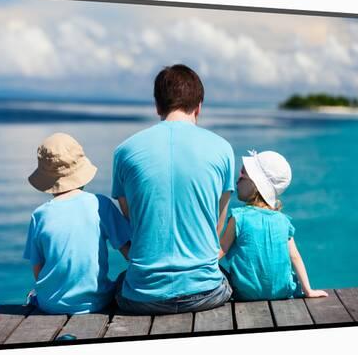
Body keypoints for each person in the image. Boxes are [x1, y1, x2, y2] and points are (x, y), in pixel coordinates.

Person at [112, 64, 234, 314]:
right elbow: (216, 226)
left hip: (143, 296)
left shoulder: (124, 151)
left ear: (157, 106)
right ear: (199, 106)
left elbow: (131, 220)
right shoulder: (223, 150)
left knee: (119, 282)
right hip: (206, 292)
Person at [23, 133, 132, 314]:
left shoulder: (39, 215)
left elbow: (37, 269)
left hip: (50, 305)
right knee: (123, 278)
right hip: (97, 303)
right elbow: (130, 254)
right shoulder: (100, 204)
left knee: (35, 293)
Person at [219, 149, 328, 300]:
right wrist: (308, 291)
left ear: (255, 184)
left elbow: (221, 251)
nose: (237, 180)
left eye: (243, 174)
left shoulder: (239, 217)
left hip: (245, 293)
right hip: (282, 292)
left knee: (216, 269)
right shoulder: (283, 221)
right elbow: (295, 257)